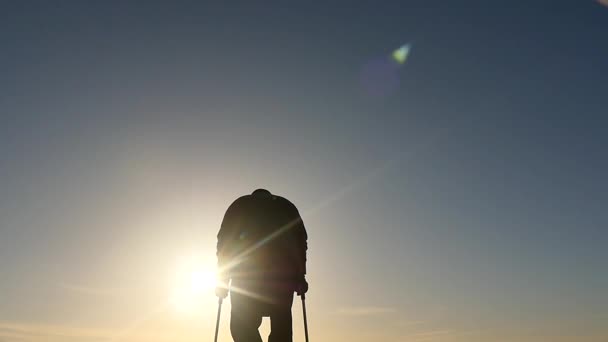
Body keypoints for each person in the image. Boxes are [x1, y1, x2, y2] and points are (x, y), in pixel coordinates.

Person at [216, 188, 308, 342]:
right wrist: (300, 276)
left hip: (246, 277)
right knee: (281, 328)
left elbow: (225, 243)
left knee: (242, 326)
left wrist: (223, 278)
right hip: (282, 279)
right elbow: (300, 243)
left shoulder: (239, 206)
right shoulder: (287, 207)